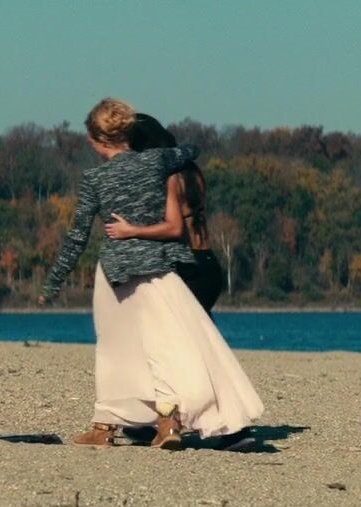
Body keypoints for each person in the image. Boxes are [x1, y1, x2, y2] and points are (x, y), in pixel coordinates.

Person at [40, 97, 263, 450]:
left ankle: (109, 426)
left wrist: (53, 282)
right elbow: (191, 150)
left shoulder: (95, 178)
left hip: (116, 272)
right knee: (176, 346)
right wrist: (165, 152)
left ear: (98, 139)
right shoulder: (158, 163)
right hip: (160, 266)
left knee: (116, 350)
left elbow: (77, 236)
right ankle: (175, 422)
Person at [103, 113, 226, 315]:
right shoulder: (192, 171)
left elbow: (174, 228)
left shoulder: (170, 178)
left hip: (190, 271)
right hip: (209, 265)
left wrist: (131, 230)